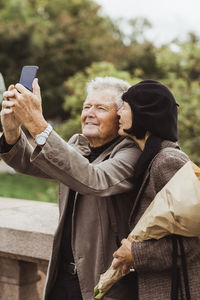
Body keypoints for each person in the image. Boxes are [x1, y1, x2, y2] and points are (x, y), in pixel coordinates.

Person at [0, 76, 141, 300]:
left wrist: (37, 123)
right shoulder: (79, 144)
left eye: (101, 108)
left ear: (121, 116)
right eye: (87, 107)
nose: (89, 113)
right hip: (61, 280)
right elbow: (28, 163)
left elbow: (94, 179)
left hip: (103, 286)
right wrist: (11, 130)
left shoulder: (131, 153)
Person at [112, 79, 200, 299]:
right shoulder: (151, 158)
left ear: (144, 114)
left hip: (177, 289)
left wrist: (136, 254)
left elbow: (195, 238)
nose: (118, 113)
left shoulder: (167, 161)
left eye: (124, 107)